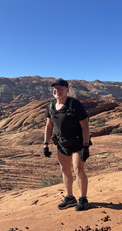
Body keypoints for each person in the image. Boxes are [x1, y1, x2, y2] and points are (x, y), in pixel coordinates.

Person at [43, 78, 91, 211]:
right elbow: (48, 126)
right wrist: (45, 144)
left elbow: (85, 126)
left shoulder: (74, 104)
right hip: (62, 143)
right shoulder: (51, 106)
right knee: (64, 170)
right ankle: (70, 197)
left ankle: (83, 199)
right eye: (55, 88)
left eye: (60, 88)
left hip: (77, 141)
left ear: (67, 90)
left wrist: (85, 146)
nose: (57, 90)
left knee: (78, 170)